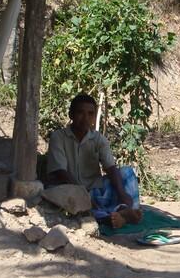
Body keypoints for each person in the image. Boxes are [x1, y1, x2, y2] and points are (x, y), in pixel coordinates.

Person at [44, 94, 143, 229]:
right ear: (71, 114)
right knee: (75, 206)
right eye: (80, 113)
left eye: (90, 114)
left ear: (94, 117)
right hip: (72, 190)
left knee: (126, 172)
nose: (85, 118)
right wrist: (84, 196)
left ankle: (127, 212)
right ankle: (113, 217)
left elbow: (111, 168)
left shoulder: (99, 140)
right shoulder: (59, 137)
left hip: (96, 191)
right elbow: (61, 172)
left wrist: (122, 194)